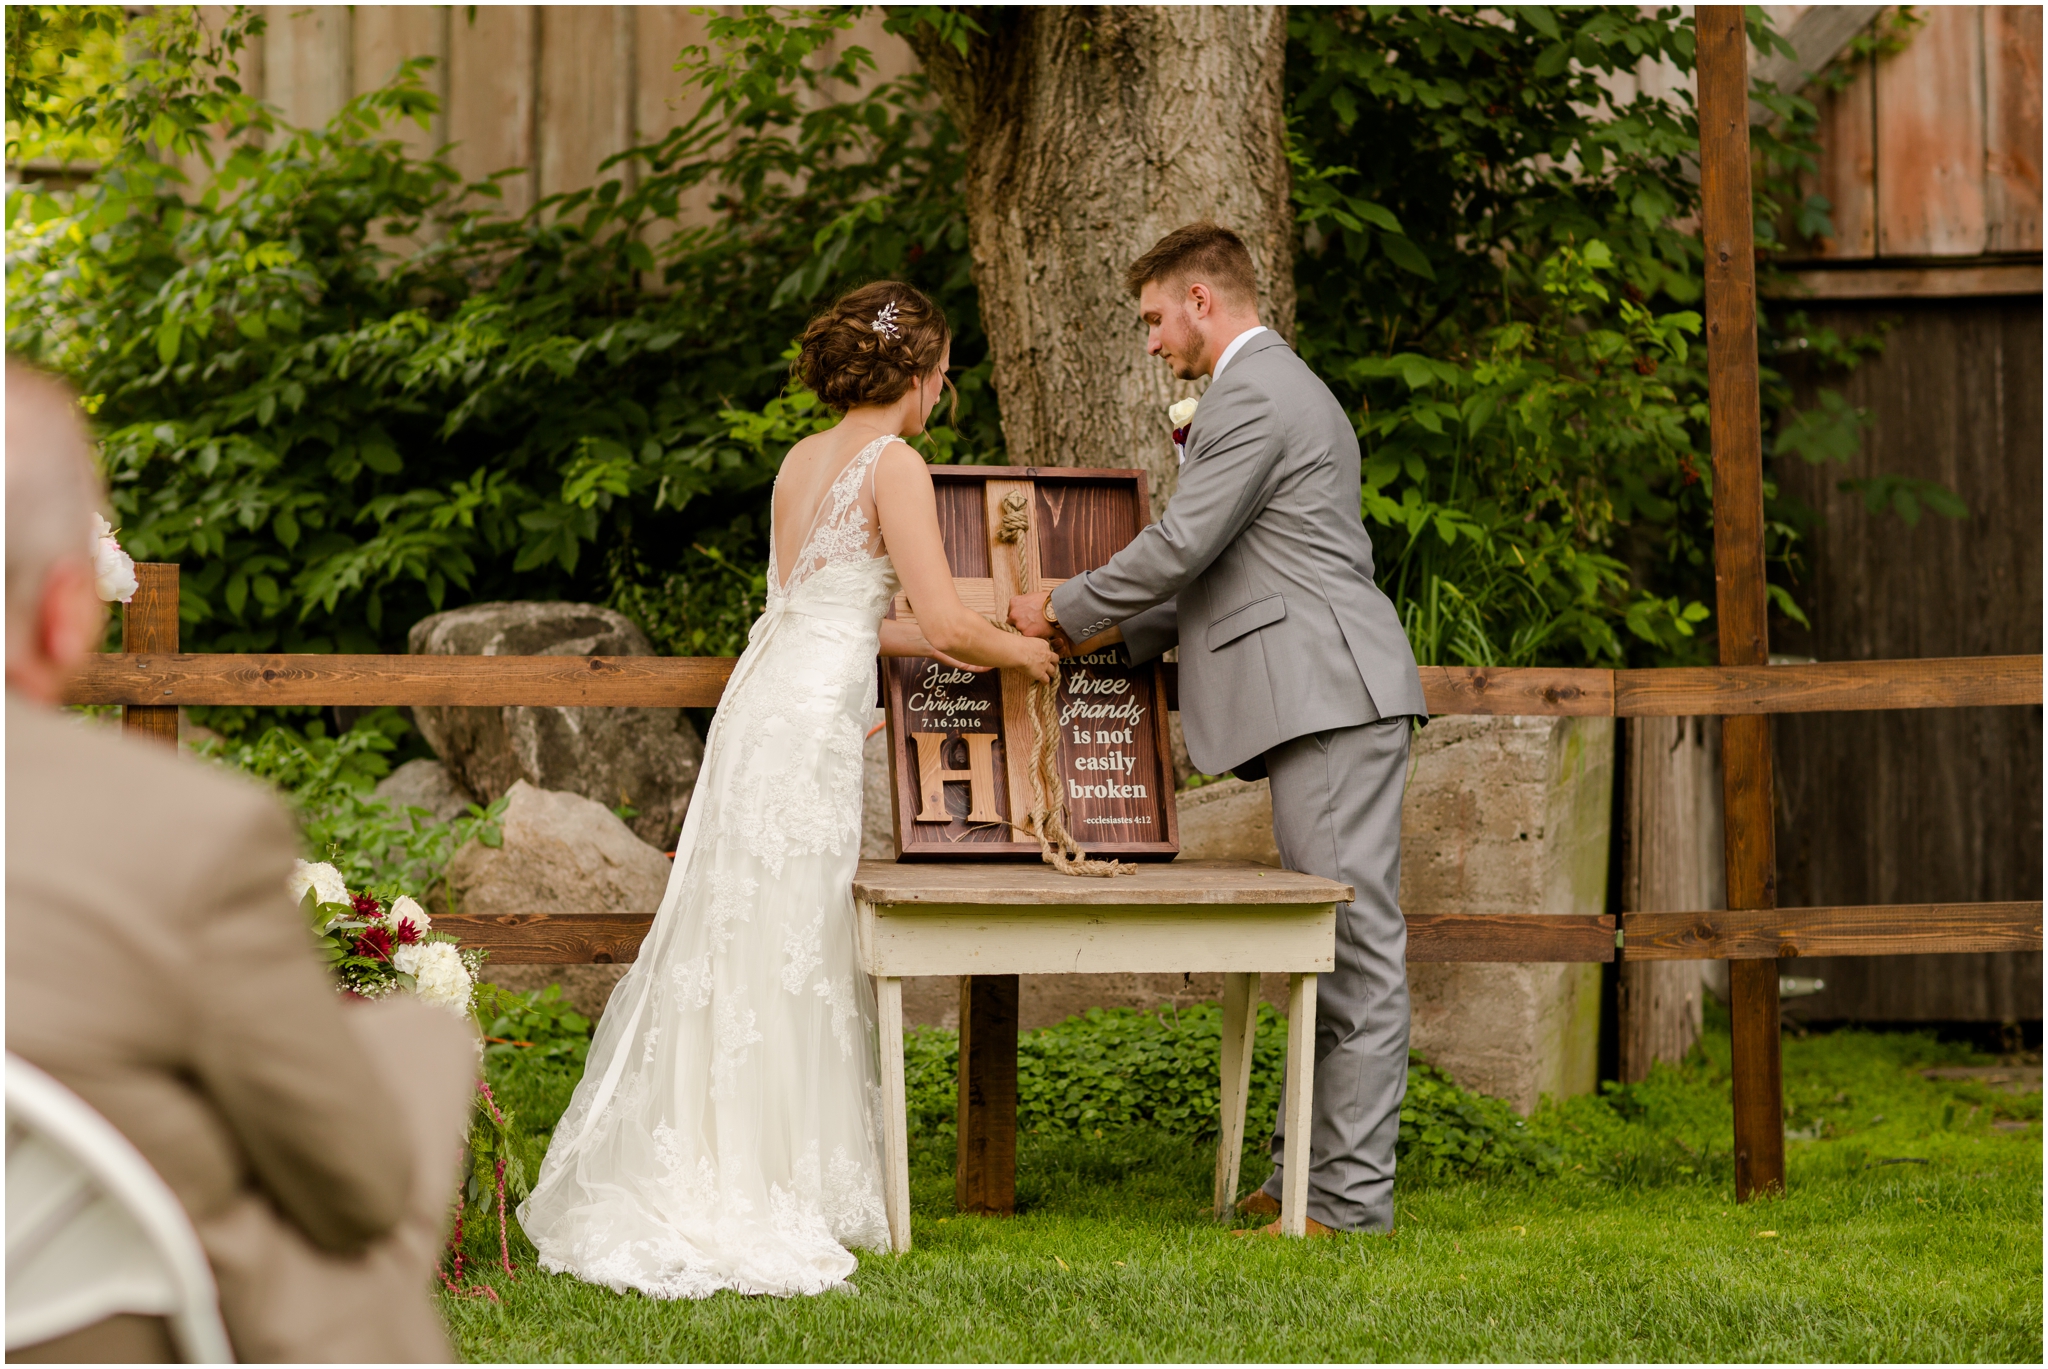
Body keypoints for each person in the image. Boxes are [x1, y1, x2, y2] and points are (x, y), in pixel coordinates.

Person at [517, 282, 1057, 1298]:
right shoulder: (894, 464)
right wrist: (1023, 656)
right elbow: (941, 620)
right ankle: (757, 1179)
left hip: (762, 707)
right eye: (944, 375)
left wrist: (943, 654)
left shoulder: (801, 459)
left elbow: (839, 613)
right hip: (805, 728)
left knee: (743, 933)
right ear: (917, 373)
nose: (943, 393)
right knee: (790, 936)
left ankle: (719, 1152)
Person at [4, 360, 477, 1361]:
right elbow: (358, 1191)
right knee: (410, 1061)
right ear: (65, 608)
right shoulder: (184, 835)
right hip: (102, 1335)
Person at [1008, 223, 1428, 1237]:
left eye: (1155, 318)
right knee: (1324, 952)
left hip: (1332, 694)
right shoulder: (1272, 388)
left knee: (1355, 951)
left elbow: (1182, 545)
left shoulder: (1255, 391)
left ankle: (1345, 1204)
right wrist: (1095, 639)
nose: (1152, 341)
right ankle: (1298, 1180)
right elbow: (1224, 569)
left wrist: (1058, 607)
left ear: (1202, 299)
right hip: (1324, 696)